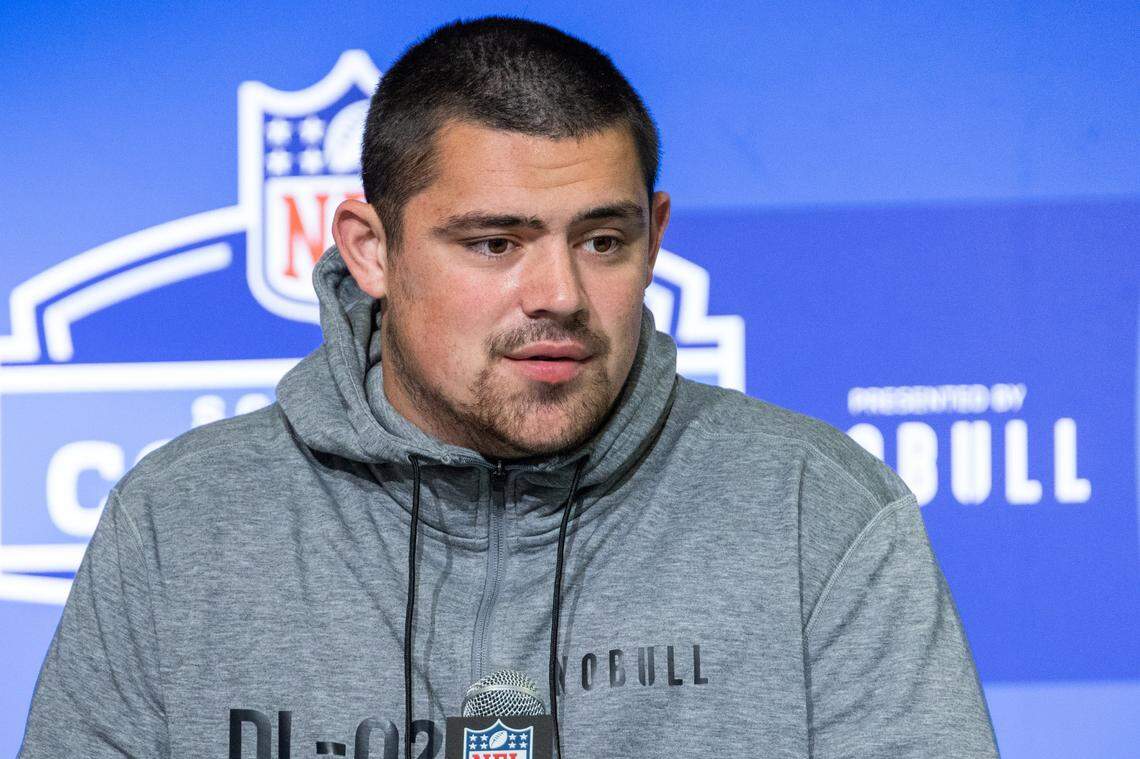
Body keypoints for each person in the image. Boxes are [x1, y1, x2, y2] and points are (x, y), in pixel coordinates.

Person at [20, 16, 998, 759]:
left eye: (603, 241)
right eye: (495, 242)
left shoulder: (816, 512)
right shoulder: (180, 521)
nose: (561, 296)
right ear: (371, 249)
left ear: (654, 234)